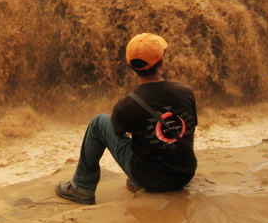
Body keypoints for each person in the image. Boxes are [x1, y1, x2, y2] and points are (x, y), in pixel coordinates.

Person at [56, 33, 198, 205]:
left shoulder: (127, 105)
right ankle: (139, 178)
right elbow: (190, 129)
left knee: (99, 122)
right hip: (184, 176)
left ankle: (82, 187)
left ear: (130, 65)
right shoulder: (186, 92)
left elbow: (118, 132)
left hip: (149, 180)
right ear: (161, 62)